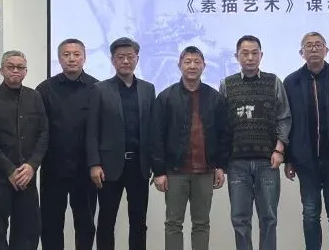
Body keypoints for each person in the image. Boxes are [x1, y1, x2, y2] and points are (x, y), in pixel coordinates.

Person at [149, 46, 231, 250]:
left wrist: (221, 166)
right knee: (173, 224)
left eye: (197, 62)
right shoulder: (166, 97)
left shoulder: (215, 98)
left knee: (201, 224)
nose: (192, 66)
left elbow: (224, 135)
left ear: (204, 65)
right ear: (179, 65)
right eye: (187, 62)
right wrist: (159, 171)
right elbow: (156, 136)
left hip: (205, 171)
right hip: (175, 171)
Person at [282, 32, 329, 250]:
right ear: (301, 52)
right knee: (310, 214)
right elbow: (287, 122)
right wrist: (288, 159)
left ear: (326, 50)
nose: (314, 48)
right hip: (305, 161)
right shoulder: (291, 82)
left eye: (318, 44)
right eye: (309, 45)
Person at [219, 35, 292, 250]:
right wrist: (221, 161)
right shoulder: (226, 84)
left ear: (261, 55)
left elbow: (284, 117)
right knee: (240, 219)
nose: (250, 58)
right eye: (245, 53)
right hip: (237, 163)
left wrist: (279, 149)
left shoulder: (274, 81)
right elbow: (221, 124)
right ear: (237, 56)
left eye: (254, 53)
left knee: (268, 217)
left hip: (267, 161)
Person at [86, 37, 156, 250]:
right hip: (108, 167)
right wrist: (94, 164)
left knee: (139, 221)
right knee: (106, 221)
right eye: (120, 57)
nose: (126, 61)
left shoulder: (148, 89)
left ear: (137, 59)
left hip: (139, 166)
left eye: (130, 57)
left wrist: (156, 164)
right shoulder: (100, 89)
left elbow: (153, 129)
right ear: (113, 60)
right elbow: (92, 130)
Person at [0, 50, 49, 250]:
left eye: (20, 67)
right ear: (2, 70)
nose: (15, 71)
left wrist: (32, 165)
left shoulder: (35, 97)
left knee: (28, 234)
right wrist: (9, 170)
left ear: (26, 71)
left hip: (27, 177)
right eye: (11, 67)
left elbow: (44, 134)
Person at [36, 38, 99, 250]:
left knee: (86, 224)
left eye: (76, 54)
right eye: (66, 54)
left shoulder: (97, 88)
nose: (71, 59)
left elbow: (100, 130)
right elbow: (39, 130)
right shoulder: (45, 89)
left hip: (86, 170)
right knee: (50, 224)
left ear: (84, 57)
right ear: (59, 58)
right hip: (53, 169)